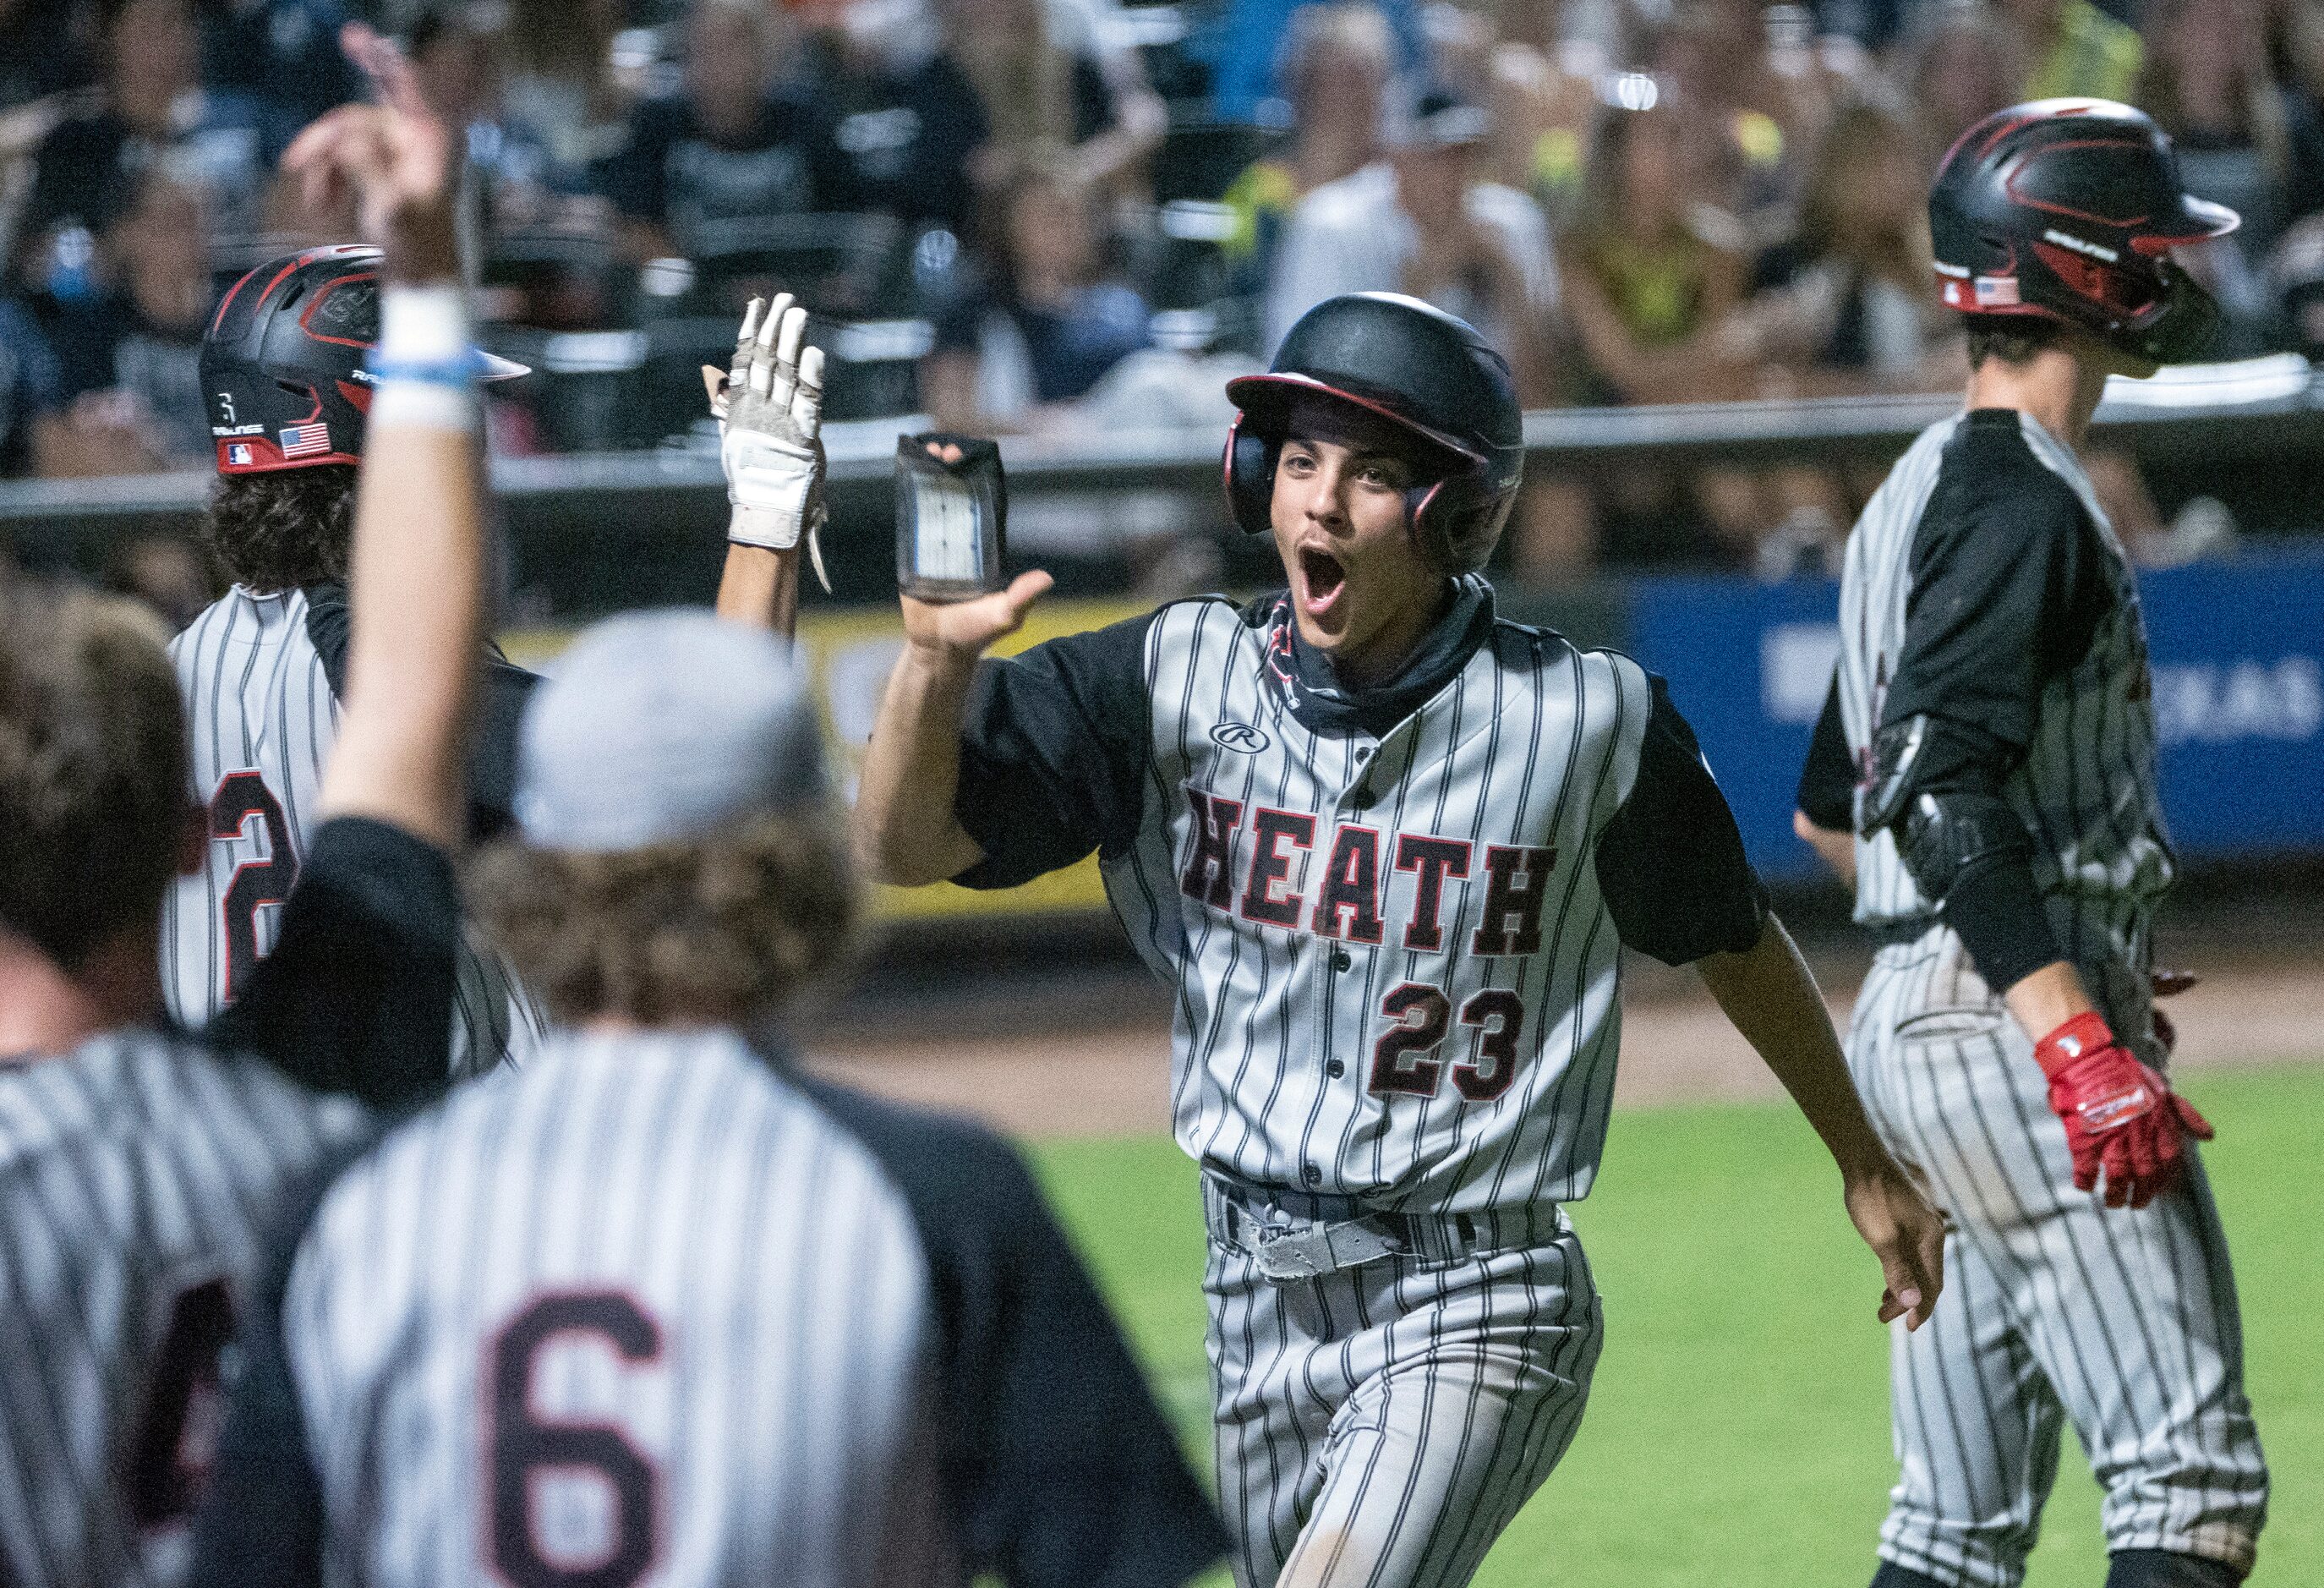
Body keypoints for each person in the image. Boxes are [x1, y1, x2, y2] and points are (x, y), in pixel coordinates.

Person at [855, 288, 1947, 1588]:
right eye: (1298, 460)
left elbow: (1731, 935)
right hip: (1251, 1289)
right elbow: (904, 847)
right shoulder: (1165, 676)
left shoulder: (1583, 720)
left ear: (1451, 514)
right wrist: (931, 665)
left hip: (1480, 1290)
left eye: (1371, 475)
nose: (1317, 502)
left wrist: (1863, 1157)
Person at [183, 277, 1230, 1588]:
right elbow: (678, 809)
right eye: (459, 433)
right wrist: (765, 520)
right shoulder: (387, 671)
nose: (490, 469)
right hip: (478, 1218)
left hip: (221, 1255)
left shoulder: (171, 673)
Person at [0, 22, 500, 1579]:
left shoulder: (198, 655)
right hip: (384, 1125)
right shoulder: (294, 1147)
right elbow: (420, 688)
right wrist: (427, 270)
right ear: (173, 836)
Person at [1794, 100, 2268, 1588]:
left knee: (1950, 1525)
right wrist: (2056, 1024)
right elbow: (1934, 793)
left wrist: (2030, 940)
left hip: (1922, 1028)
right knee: (2184, 1481)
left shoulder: (1915, 490)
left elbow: (1832, 808)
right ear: (2073, 265)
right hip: (2004, 1048)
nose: (2171, 265)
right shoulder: (2022, 502)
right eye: (2147, 241)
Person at [160, 242, 542, 1074]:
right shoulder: (390, 667)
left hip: (223, 1140)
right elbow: (622, 774)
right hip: (414, 1160)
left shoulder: (167, 674)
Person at [1265, 93, 1555, 400]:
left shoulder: (1512, 221)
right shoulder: (1332, 224)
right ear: (1397, 156)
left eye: (1464, 155)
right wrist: (1424, 281)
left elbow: (1544, 396)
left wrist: (1507, 279)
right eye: (1436, 156)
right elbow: (1313, 376)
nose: (1452, 173)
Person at [594, 0, 850, 265]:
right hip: (691, 296)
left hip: (790, 294)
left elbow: (844, 226)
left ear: (768, 54)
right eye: (704, 47)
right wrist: (708, 288)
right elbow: (634, 229)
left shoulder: (806, 119)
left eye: (734, 46)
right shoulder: (657, 123)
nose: (716, 63)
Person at [923, 162, 1153, 434]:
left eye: (1074, 214)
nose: (1066, 228)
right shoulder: (976, 313)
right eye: (1047, 216)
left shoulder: (1124, 305)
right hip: (1045, 461)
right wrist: (1035, 427)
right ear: (1010, 228)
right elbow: (949, 416)